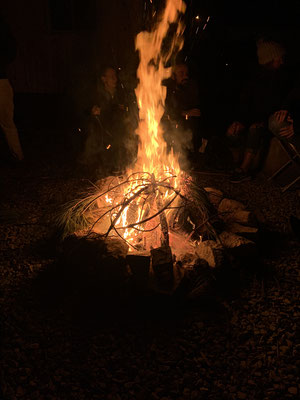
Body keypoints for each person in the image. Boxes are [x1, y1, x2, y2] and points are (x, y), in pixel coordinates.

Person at [226, 38, 296, 183]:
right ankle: (235, 164)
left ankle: (244, 170)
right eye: (279, 58)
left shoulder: (284, 78)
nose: (282, 61)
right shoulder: (255, 79)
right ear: (270, 59)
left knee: (255, 129)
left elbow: (285, 103)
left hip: (269, 121)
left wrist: (263, 121)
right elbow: (245, 104)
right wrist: (239, 121)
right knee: (233, 131)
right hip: (256, 119)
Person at [79, 66, 137, 175]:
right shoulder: (96, 95)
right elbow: (86, 111)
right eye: (111, 77)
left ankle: (121, 170)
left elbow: (127, 112)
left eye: (115, 76)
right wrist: (92, 111)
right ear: (103, 79)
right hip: (103, 136)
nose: (115, 79)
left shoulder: (121, 95)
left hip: (119, 134)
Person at [163, 63, 208, 160]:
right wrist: (183, 113)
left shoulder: (191, 87)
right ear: (173, 76)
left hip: (188, 126)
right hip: (171, 125)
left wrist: (189, 113)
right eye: (181, 74)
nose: (185, 76)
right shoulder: (167, 89)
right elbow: (166, 110)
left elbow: (196, 108)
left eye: (186, 74)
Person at [0, 15, 24, 162]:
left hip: (0, 80)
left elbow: (10, 50)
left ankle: (17, 156)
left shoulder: (2, 27)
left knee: (7, 122)